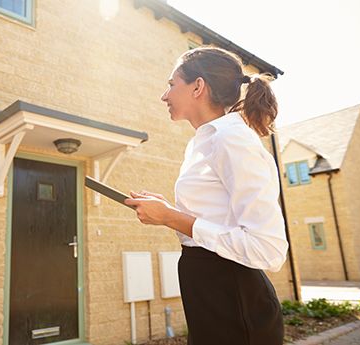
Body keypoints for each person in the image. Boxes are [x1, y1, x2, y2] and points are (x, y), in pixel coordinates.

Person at [124, 46, 289, 345]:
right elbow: (213, 219)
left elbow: (268, 249)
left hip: (236, 309)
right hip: (209, 300)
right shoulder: (203, 143)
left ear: (198, 86)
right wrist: (167, 212)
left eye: (172, 84)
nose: (165, 95)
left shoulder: (231, 139)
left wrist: (171, 217)